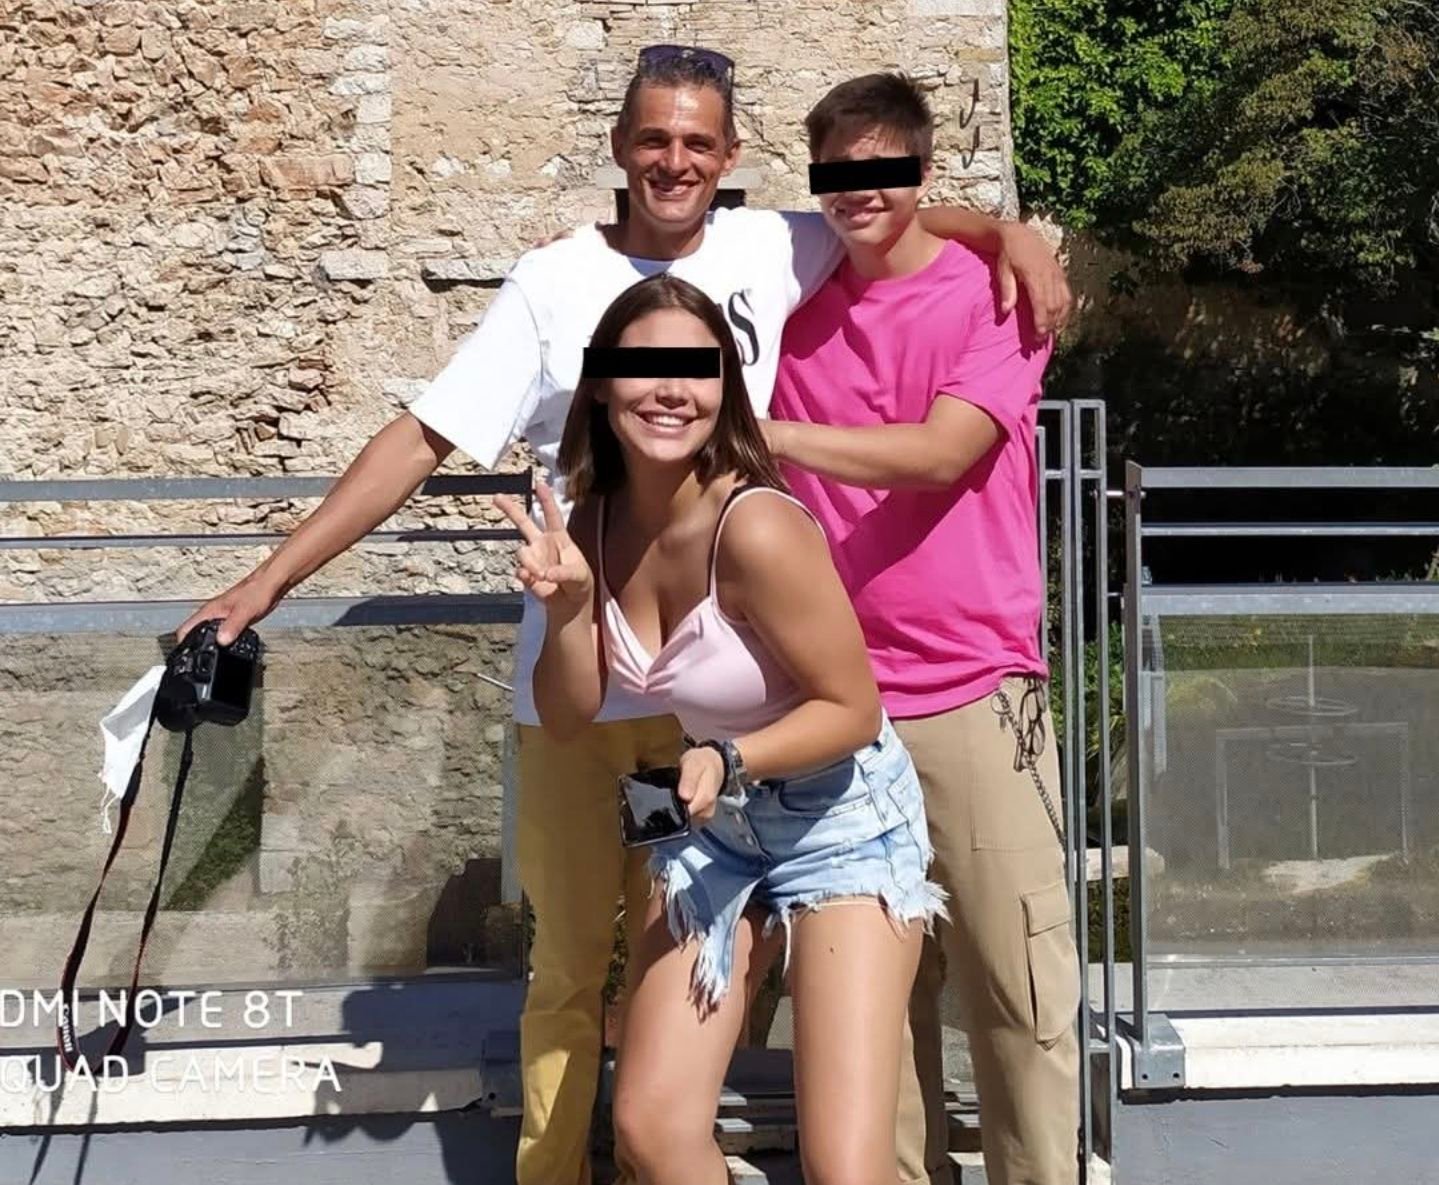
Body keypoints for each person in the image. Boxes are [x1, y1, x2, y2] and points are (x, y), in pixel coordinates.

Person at [178, 46, 1071, 1185]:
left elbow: (881, 209)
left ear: (731, 158)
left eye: (698, 142)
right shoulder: (553, 282)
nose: (674, 161)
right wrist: (267, 582)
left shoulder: (767, 249)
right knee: (569, 968)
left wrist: (1009, 234)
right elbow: (421, 436)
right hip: (598, 680)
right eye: (653, 139)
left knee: (749, 1015)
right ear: (617, 147)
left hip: (732, 715)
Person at [497, 270, 944, 1185]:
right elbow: (569, 713)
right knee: (653, 1129)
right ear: (600, 384)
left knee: (844, 1166)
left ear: (725, 388)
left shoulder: (757, 527)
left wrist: (727, 755)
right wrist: (570, 608)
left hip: (840, 822)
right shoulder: (593, 519)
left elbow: (852, 709)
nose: (671, 390)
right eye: (644, 367)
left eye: (696, 369)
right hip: (716, 827)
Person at [764, 74, 1081, 1185]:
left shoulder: (996, 293)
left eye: (883, 168)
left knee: (1018, 992)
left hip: (974, 692)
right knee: (870, 1021)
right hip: (834, 706)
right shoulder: (790, 293)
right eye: (836, 172)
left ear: (921, 168)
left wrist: (769, 434)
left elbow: (942, 453)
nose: (858, 191)